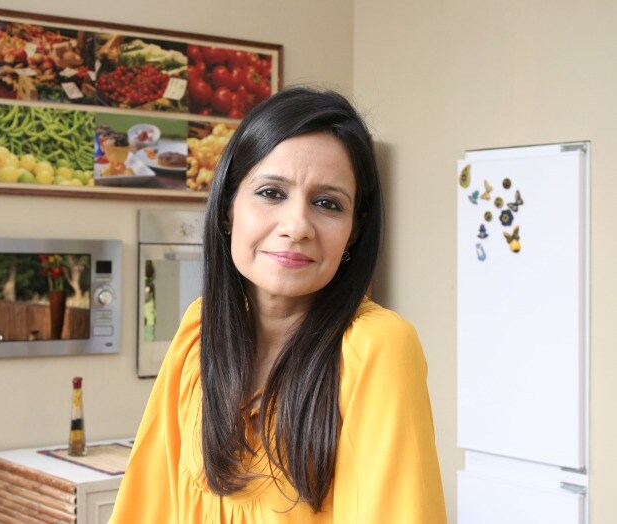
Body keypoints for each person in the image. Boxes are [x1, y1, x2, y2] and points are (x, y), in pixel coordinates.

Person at [109, 87, 447, 523]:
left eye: (327, 203)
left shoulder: (377, 346)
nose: (297, 226)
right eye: (271, 193)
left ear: (354, 232)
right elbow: (148, 504)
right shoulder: (199, 330)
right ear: (228, 208)